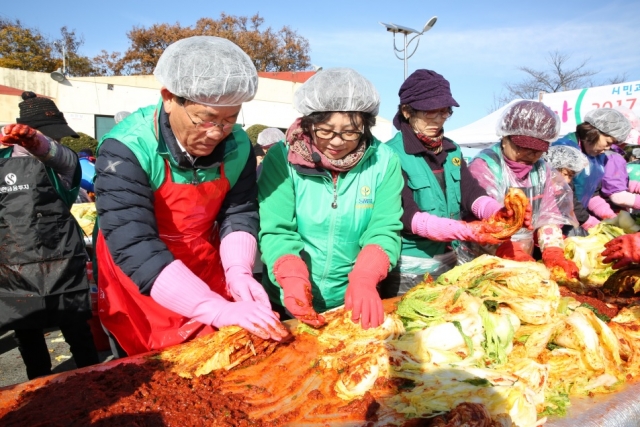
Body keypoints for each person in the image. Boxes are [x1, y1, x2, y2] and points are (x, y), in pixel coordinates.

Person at [94, 36, 288, 358]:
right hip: (142, 272)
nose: (216, 133)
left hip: (203, 257)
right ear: (170, 98)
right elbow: (134, 243)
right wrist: (212, 307)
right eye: (206, 119)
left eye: (229, 120)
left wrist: (238, 270)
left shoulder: (238, 145)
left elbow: (238, 211)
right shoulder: (127, 149)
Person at [258, 68, 403, 329]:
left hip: (351, 300)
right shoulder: (282, 159)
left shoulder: (384, 162)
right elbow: (277, 229)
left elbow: (384, 229)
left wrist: (365, 277)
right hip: (288, 297)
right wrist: (291, 276)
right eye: (325, 130)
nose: (337, 142)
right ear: (308, 123)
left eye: (350, 132)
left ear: (366, 126)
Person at [382, 69, 524, 296]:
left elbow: (470, 193)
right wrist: (467, 230)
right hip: (409, 269)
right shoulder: (390, 155)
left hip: (449, 261)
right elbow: (407, 215)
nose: (438, 120)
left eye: (444, 112)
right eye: (430, 113)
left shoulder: (451, 150)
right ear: (407, 111)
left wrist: (497, 214)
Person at [0, 91, 99, 380]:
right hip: (12, 264)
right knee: (29, 339)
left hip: (61, 261)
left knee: (78, 333)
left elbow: (61, 157)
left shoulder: (61, 162)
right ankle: (40, 391)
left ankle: (94, 382)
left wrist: (38, 142)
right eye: (49, 135)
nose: (56, 141)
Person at [464, 100, 580, 279]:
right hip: (485, 257)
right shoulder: (485, 167)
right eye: (522, 147)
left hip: (525, 256)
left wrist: (553, 251)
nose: (530, 155)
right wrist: (509, 252)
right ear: (505, 137)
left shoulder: (542, 170)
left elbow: (549, 216)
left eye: (537, 150)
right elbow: (485, 220)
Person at [554, 109, 635, 217]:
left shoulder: (598, 157)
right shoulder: (563, 150)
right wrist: (586, 220)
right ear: (593, 132)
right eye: (608, 142)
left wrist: (609, 216)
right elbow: (562, 195)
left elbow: (593, 193)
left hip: (577, 217)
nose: (608, 148)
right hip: (556, 218)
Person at [542, 144, 594, 236]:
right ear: (552, 168)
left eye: (571, 176)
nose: (567, 180)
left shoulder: (565, 190)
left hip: (556, 234)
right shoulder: (541, 188)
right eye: (565, 174)